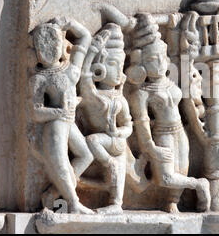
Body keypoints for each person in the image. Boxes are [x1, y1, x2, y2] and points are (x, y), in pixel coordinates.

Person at [126, 14, 211, 213]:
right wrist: (150, 147)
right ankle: (200, 185)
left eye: (162, 57)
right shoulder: (141, 93)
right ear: (143, 65)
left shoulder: (171, 80)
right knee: (164, 177)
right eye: (153, 60)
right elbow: (142, 123)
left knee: (181, 169)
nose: (161, 63)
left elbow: (176, 54)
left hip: (180, 130)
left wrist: (174, 28)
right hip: (162, 134)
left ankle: (173, 201)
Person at [29, 17, 94, 214]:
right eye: (42, 46)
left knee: (86, 155)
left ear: (62, 45)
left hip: (68, 121)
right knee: (60, 163)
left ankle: (54, 193)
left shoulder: (71, 70)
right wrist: (59, 111)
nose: (48, 49)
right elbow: (35, 111)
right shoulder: (38, 79)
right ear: (37, 52)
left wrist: (69, 23)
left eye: (53, 42)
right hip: (56, 123)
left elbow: (85, 37)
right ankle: (73, 203)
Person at [78, 23, 133, 214]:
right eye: (113, 64)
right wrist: (92, 51)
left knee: (98, 144)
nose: (119, 71)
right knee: (93, 141)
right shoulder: (94, 96)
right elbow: (84, 77)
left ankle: (116, 204)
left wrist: (120, 132)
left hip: (115, 141)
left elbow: (128, 124)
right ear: (99, 67)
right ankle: (109, 164)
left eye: (121, 66)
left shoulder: (120, 99)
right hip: (104, 143)